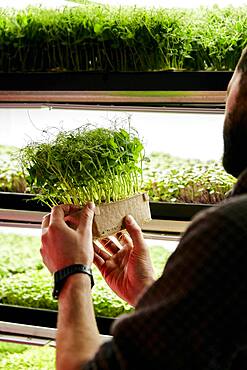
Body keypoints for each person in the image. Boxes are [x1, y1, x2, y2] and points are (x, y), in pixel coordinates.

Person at [40, 46, 247, 370]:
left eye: (235, 82)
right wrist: (150, 295)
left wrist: (71, 273)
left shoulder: (232, 229)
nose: (226, 100)